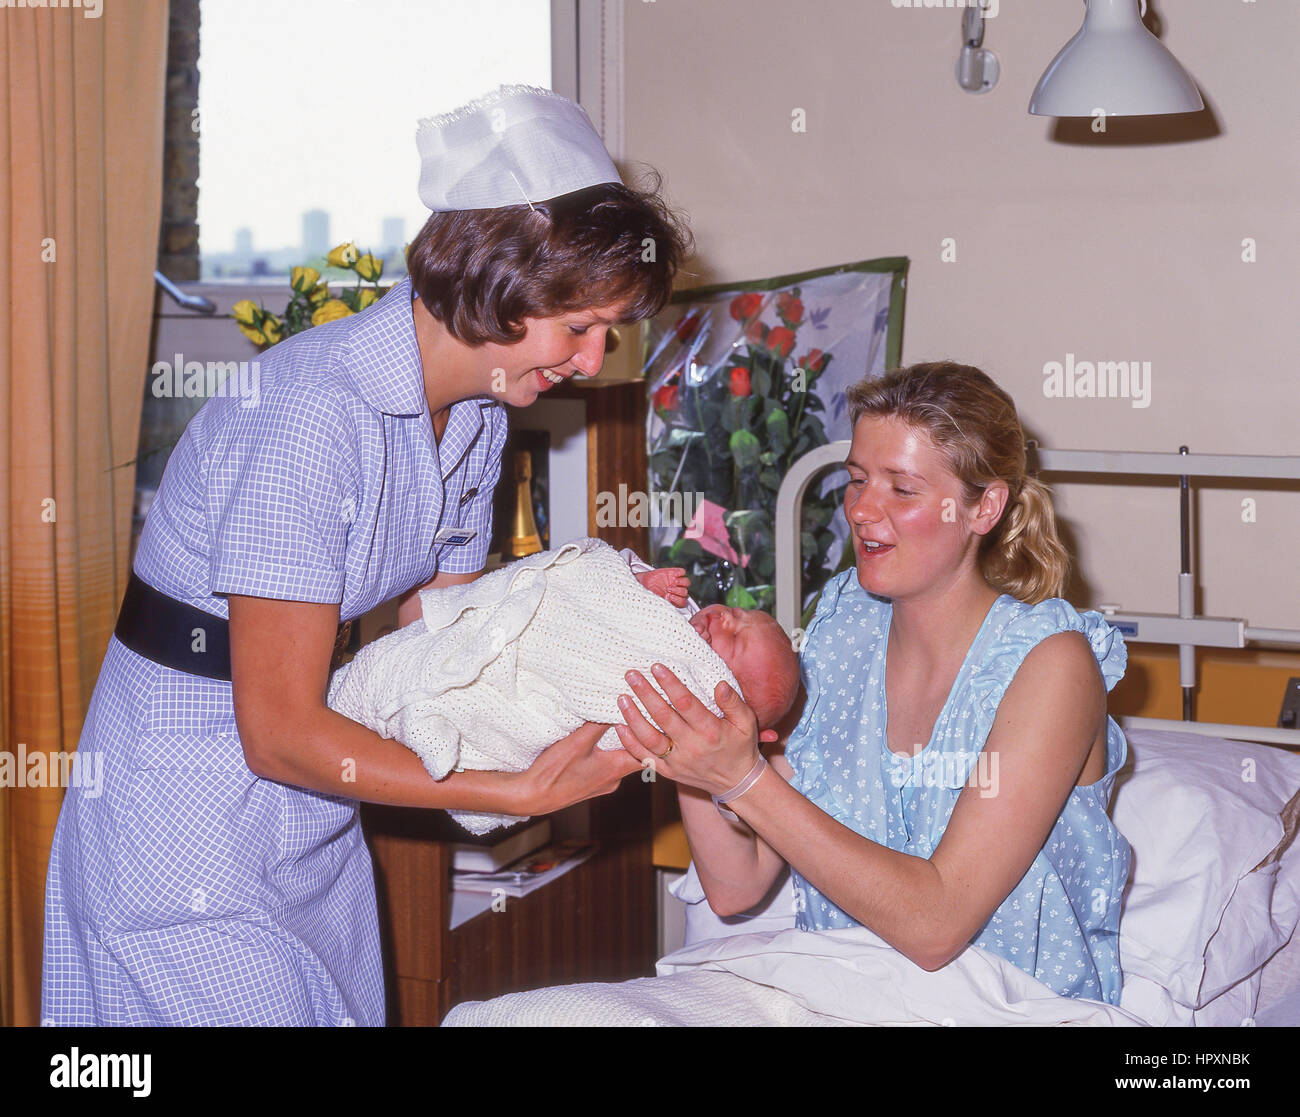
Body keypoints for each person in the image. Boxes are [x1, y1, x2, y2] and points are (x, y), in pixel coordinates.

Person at [41, 84, 690, 1026]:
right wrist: (509, 787)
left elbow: (452, 633)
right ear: (499, 278)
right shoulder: (311, 414)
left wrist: (619, 670)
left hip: (309, 809)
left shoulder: (473, 418)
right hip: (184, 815)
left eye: (609, 333)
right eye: (578, 328)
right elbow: (277, 731)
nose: (592, 364)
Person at [615, 361, 1133, 1005]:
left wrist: (741, 777)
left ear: (985, 507)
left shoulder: (1052, 665)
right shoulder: (839, 634)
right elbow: (736, 885)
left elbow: (937, 925)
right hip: (837, 995)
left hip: (1004, 1009)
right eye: (857, 479)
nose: (861, 510)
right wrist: (693, 713)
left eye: (902, 490)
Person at [325, 538, 800, 834]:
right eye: (739, 616)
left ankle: (434, 722)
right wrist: (643, 579)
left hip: (538, 705)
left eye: (733, 646)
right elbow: (600, 581)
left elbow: (632, 734)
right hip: (518, 642)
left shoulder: (689, 703)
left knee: (497, 718)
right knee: (419, 668)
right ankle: (415, 706)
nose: (724, 622)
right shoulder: (675, 609)